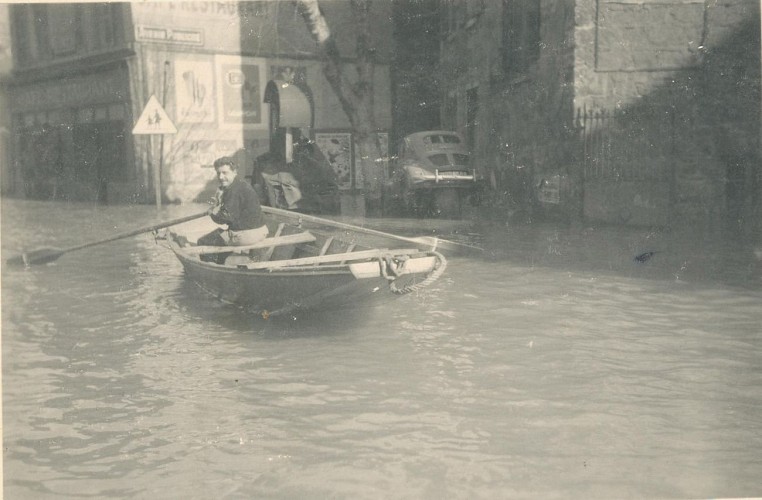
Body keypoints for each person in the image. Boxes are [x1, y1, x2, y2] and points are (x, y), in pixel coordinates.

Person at [198, 157, 269, 262]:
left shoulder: (233, 190)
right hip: (261, 231)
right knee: (221, 237)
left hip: (246, 235)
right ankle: (220, 264)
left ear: (234, 171)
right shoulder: (241, 184)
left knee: (203, 241)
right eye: (218, 173)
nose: (221, 177)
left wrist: (212, 213)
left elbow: (226, 218)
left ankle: (213, 271)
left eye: (225, 173)